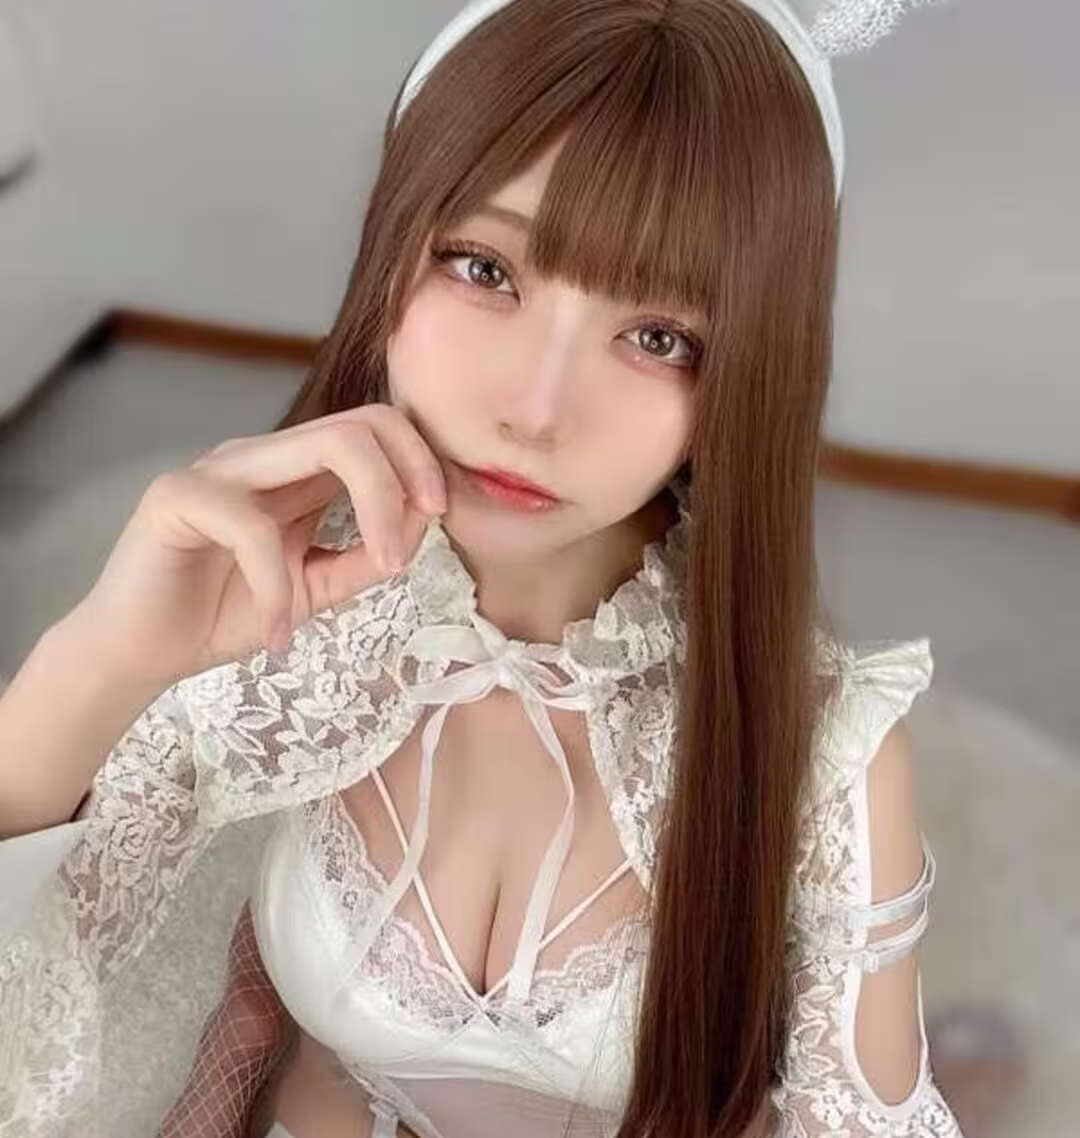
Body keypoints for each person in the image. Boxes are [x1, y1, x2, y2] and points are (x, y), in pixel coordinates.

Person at [0, 1, 965, 1136]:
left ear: (753, 373)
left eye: (660, 336)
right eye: (485, 267)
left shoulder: (826, 756)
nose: (535, 409)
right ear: (393, 240)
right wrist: (98, 662)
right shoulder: (282, 611)